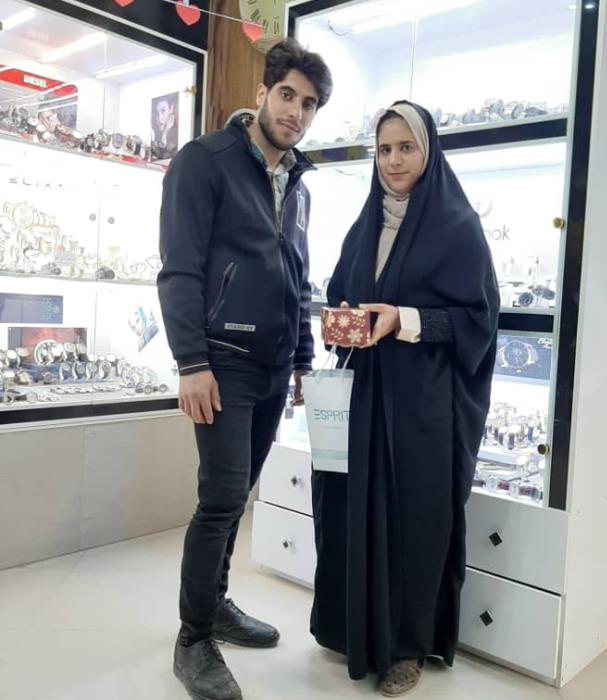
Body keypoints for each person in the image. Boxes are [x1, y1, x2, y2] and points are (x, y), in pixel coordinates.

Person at [157, 39, 332, 700]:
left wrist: (303, 358)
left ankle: (217, 605)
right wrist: (191, 362)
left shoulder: (298, 186)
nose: (295, 112)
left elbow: (297, 277)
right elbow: (179, 268)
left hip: (272, 368)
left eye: (308, 104)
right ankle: (193, 638)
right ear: (262, 93)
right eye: (286, 95)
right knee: (221, 497)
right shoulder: (206, 161)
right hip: (220, 362)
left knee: (240, 495)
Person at [310, 101, 499, 696]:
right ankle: (352, 628)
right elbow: (340, 293)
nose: (393, 161)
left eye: (405, 148)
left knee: (414, 519)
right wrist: (339, 320)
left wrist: (405, 319)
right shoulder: (364, 224)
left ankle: (407, 646)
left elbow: (477, 321)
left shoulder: (457, 227)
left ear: (428, 151)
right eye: (384, 149)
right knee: (351, 508)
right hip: (363, 399)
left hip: (422, 407)